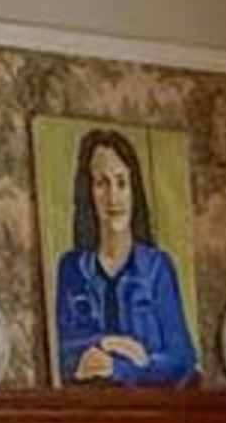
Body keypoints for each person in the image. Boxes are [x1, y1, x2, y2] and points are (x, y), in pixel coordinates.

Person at [52, 128, 196, 387]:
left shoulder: (158, 267)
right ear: (88, 192)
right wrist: (109, 342)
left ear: (134, 190)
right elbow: (60, 350)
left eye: (121, 182)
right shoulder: (71, 268)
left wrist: (120, 369)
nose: (113, 197)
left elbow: (182, 359)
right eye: (101, 183)